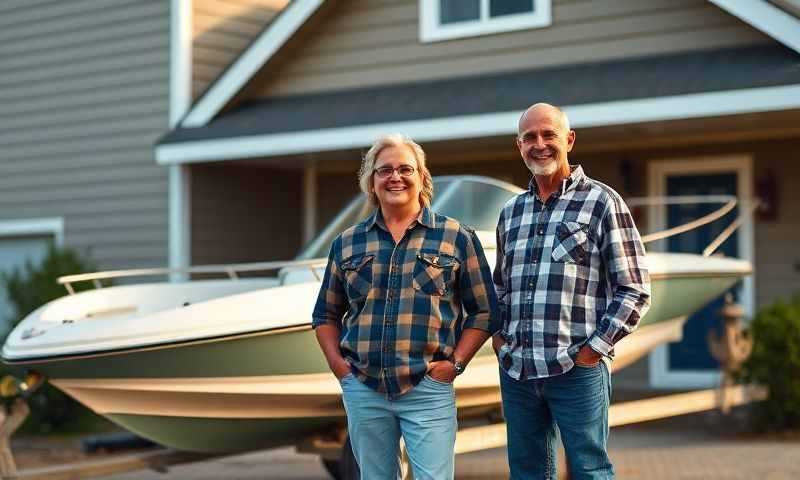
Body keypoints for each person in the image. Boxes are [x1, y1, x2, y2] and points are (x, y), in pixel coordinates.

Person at [312, 133, 499, 479]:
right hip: (364, 388)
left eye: (405, 169)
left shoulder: (457, 237)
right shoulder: (347, 243)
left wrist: (455, 364)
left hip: (427, 387)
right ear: (371, 181)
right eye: (384, 170)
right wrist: (341, 369)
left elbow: (486, 311)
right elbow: (325, 313)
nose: (395, 177)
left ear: (422, 178)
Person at [493, 103, 651, 479]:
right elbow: (500, 288)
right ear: (519, 146)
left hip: (577, 370)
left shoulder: (602, 202)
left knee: (590, 470)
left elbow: (635, 288)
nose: (540, 144)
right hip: (518, 372)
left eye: (549, 134)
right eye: (530, 137)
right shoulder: (510, 213)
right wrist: (500, 341)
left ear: (569, 140)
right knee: (527, 472)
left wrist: (592, 351)